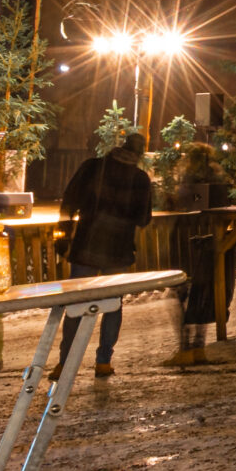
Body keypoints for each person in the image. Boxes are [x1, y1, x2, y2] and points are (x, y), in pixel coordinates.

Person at [53, 131, 153, 378]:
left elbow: (68, 203)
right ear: (139, 154)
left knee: (77, 304)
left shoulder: (92, 167)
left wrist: (63, 236)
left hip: (86, 245)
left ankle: (65, 363)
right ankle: (103, 361)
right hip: (118, 251)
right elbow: (143, 219)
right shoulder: (140, 179)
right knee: (112, 305)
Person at [166, 144, 231, 367]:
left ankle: (185, 348)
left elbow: (179, 205)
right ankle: (199, 347)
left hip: (185, 239)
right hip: (210, 238)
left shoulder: (188, 181)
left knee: (180, 294)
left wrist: (172, 201)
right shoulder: (218, 179)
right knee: (202, 293)